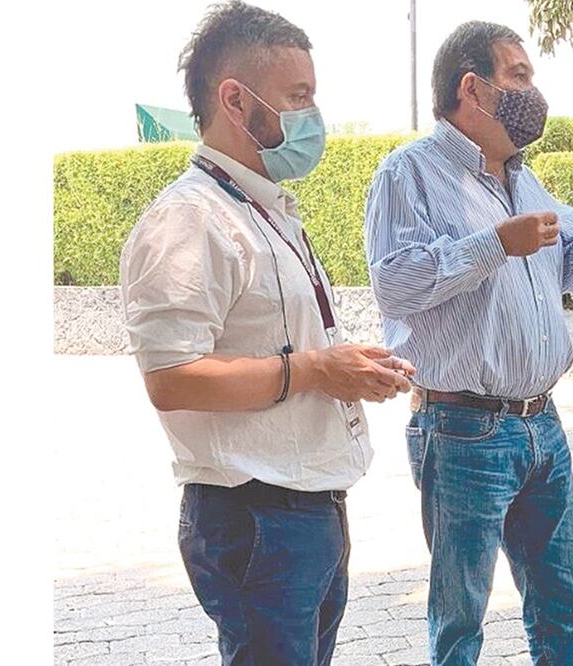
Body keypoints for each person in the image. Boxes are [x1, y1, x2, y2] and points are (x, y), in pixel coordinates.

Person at [118, 3, 414, 663]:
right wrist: (313, 370)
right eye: (298, 96)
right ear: (235, 99)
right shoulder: (188, 221)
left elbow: (274, 342)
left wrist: (342, 365)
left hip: (303, 508)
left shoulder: (257, 207)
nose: (314, 114)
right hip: (255, 517)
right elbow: (171, 380)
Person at [363, 21, 573, 665]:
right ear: (474, 88)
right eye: (518, 76)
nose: (532, 91)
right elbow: (395, 283)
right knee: (460, 623)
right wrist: (496, 244)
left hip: (542, 425)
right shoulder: (407, 173)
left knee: (563, 608)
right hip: (462, 429)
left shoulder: (525, 179)